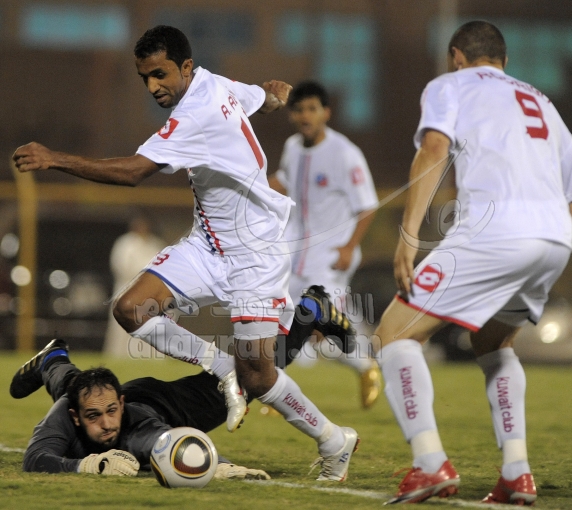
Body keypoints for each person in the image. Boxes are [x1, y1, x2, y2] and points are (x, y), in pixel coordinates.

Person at [13, 25, 358, 481]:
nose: (152, 86)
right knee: (131, 308)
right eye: (145, 78)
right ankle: (223, 367)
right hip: (208, 245)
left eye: (160, 74)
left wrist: (55, 158)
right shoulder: (214, 83)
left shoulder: (196, 112)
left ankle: (333, 440)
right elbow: (257, 96)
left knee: (259, 376)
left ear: (186, 68)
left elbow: (134, 172)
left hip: (255, 254)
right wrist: (272, 96)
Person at [372, 21, 572, 505]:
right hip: (555, 238)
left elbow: (434, 149)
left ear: (457, 56)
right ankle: (516, 473)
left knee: (393, 334)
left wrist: (409, 237)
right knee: (493, 342)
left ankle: (429, 463)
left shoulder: (450, 85)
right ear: (504, 61)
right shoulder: (542, 102)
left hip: (495, 231)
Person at [268, 81, 382, 409]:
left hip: (330, 255)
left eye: (312, 109)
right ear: (292, 114)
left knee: (317, 329)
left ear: (326, 113)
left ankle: (365, 365)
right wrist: (249, 186)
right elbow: (284, 180)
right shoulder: (292, 147)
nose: (305, 116)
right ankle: (273, 391)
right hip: (295, 252)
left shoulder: (345, 153)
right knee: (283, 323)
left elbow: (368, 205)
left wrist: (349, 247)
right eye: (299, 109)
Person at [11, 339, 269, 479]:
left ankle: (294, 324)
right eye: (93, 416)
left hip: (166, 402)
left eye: (112, 411)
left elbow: (168, 442)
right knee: (74, 386)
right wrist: (88, 465)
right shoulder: (66, 410)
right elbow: (35, 458)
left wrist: (221, 468)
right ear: (74, 417)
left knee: (251, 376)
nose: (107, 424)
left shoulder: (138, 427)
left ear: (121, 404)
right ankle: (53, 358)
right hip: (93, 396)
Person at [104, 213, 165, 358]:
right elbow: (121, 266)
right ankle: (119, 357)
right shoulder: (125, 243)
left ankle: (150, 358)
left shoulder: (155, 244)